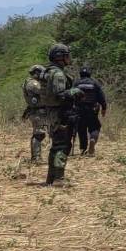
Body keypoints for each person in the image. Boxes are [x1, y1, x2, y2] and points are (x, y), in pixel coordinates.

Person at [39, 44, 83, 185]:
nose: (69, 58)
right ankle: (58, 178)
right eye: (66, 55)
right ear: (60, 57)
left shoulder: (50, 71)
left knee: (57, 144)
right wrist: (75, 91)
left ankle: (51, 178)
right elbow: (60, 95)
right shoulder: (58, 73)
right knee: (62, 145)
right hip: (61, 113)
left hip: (54, 112)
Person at [73, 67, 107, 156]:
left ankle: (83, 149)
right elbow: (101, 97)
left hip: (79, 110)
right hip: (92, 109)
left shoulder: (76, 83)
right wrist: (104, 108)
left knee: (81, 129)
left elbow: (71, 95)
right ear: (89, 74)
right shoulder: (95, 83)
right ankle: (92, 139)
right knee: (95, 127)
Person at [22, 64, 48, 163]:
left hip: (37, 111)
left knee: (38, 133)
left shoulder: (30, 82)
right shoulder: (33, 83)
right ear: (37, 73)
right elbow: (43, 91)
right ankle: (36, 157)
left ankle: (36, 157)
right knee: (39, 134)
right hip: (37, 112)